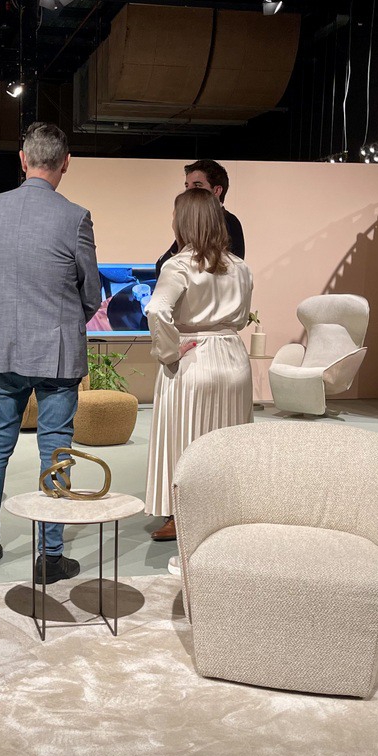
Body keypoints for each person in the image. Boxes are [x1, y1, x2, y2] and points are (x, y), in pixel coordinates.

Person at [0, 122, 102, 580]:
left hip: (2, 345)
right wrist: (65, 319)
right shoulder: (76, 217)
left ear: (23, 160)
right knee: (56, 448)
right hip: (57, 350)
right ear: (66, 163)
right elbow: (91, 292)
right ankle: (49, 556)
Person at [145, 188, 254, 544]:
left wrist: (168, 352)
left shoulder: (178, 265)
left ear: (184, 222)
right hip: (234, 359)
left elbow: (156, 310)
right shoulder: (240, 267)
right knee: (229, 442)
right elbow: (241, 318)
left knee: (185, 441)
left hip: (194, 359)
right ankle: (227, 511)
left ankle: (180, 516)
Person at [154, 160, 245, 277]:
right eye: (187, 186)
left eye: (197, 185)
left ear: (217, 190)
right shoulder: (192, 222)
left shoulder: (229, 222)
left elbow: (229, 271)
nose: (189, 192)